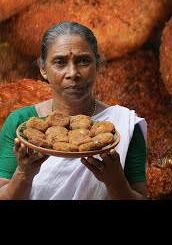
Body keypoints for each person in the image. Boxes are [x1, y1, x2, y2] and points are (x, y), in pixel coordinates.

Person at [0, 21, 147, 200]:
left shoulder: (122, 126)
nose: (72, 73)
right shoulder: (21, 124)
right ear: (43, 69)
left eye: (83, 61)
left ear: (98, 65)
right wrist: (24, 173)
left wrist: (115, 181)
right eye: (60, 62)